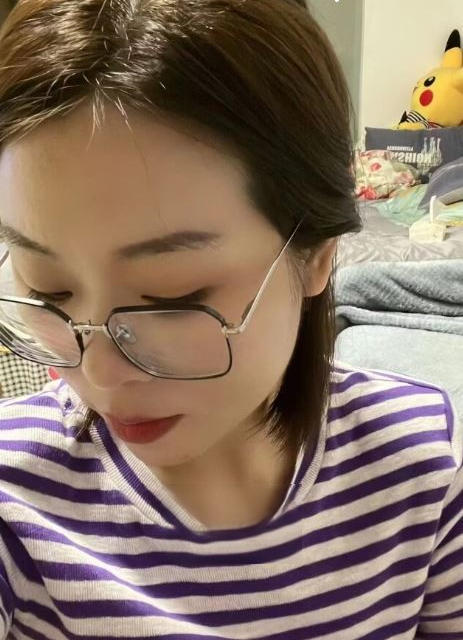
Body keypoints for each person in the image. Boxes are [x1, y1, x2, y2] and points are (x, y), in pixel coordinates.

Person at [0, 0, 461, 638]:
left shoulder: (420, 460)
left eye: (171, 295)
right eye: (48, 288)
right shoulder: (17, 495)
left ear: (317, 255)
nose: (99, 375)